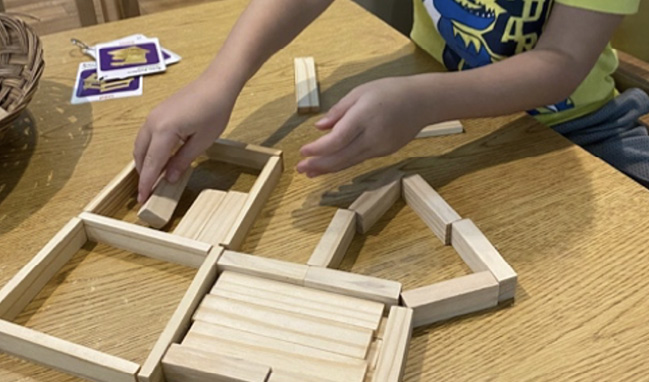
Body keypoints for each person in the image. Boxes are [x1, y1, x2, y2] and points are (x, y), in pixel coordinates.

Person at [133, 0, 645, 204]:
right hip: (427, 86)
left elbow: (561, 61)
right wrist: (221, 80)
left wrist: (422, 102)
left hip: (576, 125)